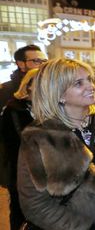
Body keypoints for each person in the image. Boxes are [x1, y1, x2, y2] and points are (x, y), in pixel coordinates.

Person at [17, 58, 95, 230]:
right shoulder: (39, 137)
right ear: (58, 94)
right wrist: (91, 228)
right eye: (78, 83)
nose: (91, 86)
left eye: (89, 79)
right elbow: (34, 204)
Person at [0, 68, 38, 230]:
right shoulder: (13, 109)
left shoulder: (54, 107)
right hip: (21, 171)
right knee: (20, 212)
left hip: (49, 171)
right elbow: (7, 145)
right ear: (28, 86)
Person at [0, 44, 47, 110]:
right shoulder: (5, 89)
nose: (42, 65)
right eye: (37, 61)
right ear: (21, 64)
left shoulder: (48, 86)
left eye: (45, 61)